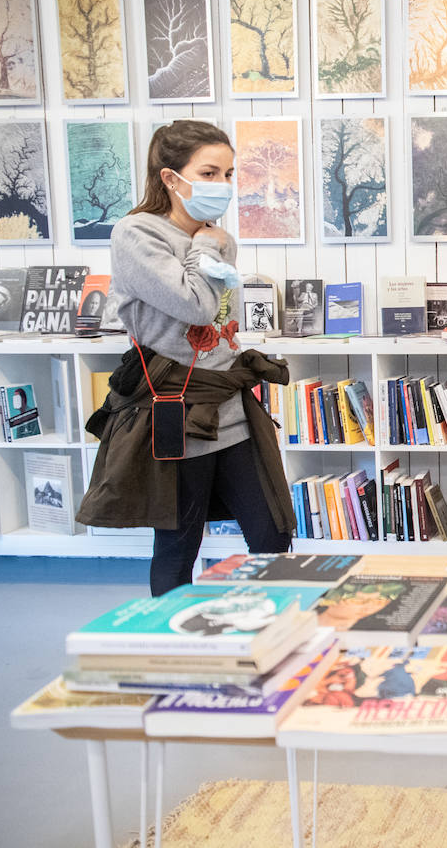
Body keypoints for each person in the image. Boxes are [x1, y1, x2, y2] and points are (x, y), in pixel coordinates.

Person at [77, 120, 294, 596]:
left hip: (233, 411)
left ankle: (276, 635)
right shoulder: (137, 234)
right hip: (177, 412)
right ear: (171, 178)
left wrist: (210, 243)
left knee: (273, 533)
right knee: (178, 546)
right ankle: (171, 648)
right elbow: (195, 304)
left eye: (229, 174)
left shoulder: (218, 238)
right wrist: (202, 246)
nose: (223, 187)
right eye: (210, 173)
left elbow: (221, 325)